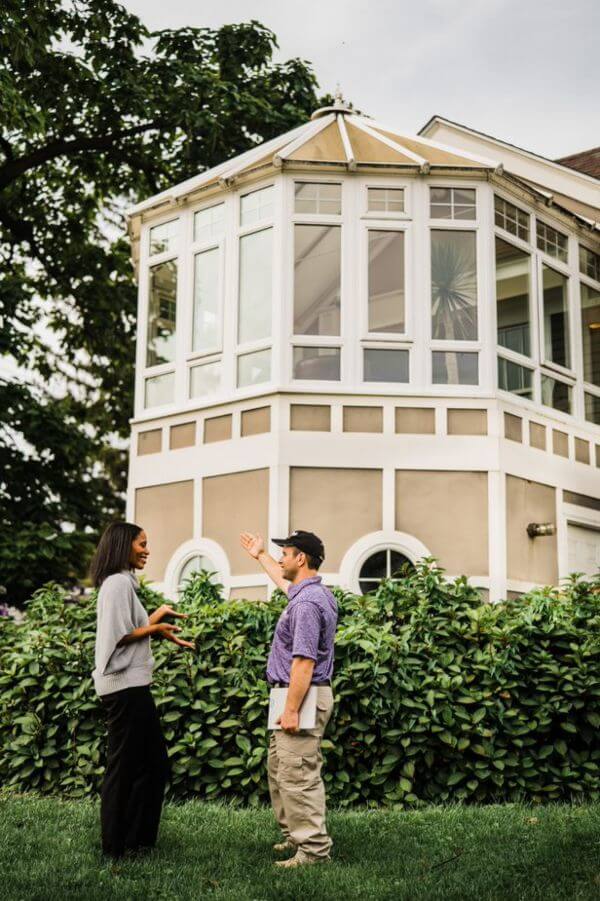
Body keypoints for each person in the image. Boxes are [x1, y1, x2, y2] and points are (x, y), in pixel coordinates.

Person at [90, 521, 194, 859]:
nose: (147, 550)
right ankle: (117, 846)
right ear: (124, 545)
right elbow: (117, 638)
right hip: (125, 690)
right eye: (142, 544)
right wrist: (157, 626)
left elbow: (125, 631)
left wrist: (154, 621)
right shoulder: (118, 584)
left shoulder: (119, 583)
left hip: (128, 687)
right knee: (130, 766)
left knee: (149, 764)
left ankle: (133, 840)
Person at [240, 528, 338, 868]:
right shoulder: (306, 595)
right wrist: (260, 555)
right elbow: (284, 584)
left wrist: (292, 709)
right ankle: (294, 835)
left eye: (286, 552)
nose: (281, 557)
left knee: (298, 773)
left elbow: (304, 661)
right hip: (292, 696)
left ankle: (313, 850)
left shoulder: (308, 604)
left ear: (302, 558)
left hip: (301, 695)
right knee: (281, 768)